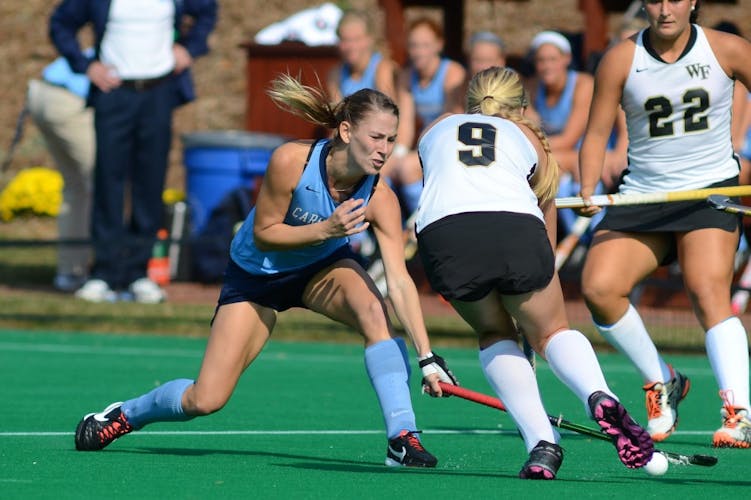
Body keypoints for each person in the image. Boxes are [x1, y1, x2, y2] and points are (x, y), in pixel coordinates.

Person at [72, 74, 458, 468]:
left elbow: (399, 281)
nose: (384, 150)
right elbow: (265, 234)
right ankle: (124, 415)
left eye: (391, 140)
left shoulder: (380, 197)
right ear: (345, 130)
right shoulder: (292, 161)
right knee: (206, 399)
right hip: (256, 275)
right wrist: (327, 229)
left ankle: (402, 436)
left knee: (375, 314)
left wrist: (426, 356)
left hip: (320, 270)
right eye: (376, 137)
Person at [415, 66, 654, 479]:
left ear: (467, 104)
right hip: (516, 230)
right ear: (522, 107)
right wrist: (540, 309)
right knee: (553, 332)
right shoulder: (530, 140)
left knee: (494, 334)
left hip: (445, 236)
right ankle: (598, 393)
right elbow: (545, 232)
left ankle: (542, 446)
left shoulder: (436, 126)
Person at [577, 0, 751, 448]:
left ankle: (738, 413)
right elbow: (596, 133)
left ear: (693, 1)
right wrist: (588, 185)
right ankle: (662, 380)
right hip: (644, 195)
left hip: (708, 192)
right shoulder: (620, 58)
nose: (665, 9)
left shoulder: (728, 50)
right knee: (598, 288)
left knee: (707, 289)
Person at [49, 0, 218, 303]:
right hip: (114, 94)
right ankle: (104, 271)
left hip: (158, 93)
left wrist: (189, 48)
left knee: (150, 182)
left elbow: (207, 10)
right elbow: (61, 23)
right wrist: (86, 65)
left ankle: (139, 272)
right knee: (108, 180)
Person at [26, 52, 95, 292]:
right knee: (103, 185)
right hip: (68, 99)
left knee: (77, 189)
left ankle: (71, 272)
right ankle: (106, 273)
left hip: (42, 92)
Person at [389, 17, 466, 219]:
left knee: (407, 169)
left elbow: (452, 122)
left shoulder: (453, 72)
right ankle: (379, 233)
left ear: (439, 45)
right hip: (425, 143)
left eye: (425, 45)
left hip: (449, 144)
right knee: (382, 167)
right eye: (414, 45)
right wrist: (398, 153)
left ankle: (425, 221)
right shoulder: (407, 76)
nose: (419, 51)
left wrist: (414, 156)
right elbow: (404, 123)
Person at [326, 9, 398, 102]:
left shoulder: (382, 68)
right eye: (345, 39)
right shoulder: (335, 74)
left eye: (357, 39)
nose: (351, 46)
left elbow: (389, 113)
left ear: (370, 39)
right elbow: (337, 113)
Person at [446, 31, 507, 114]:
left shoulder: (514, 92)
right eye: (477, 60)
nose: (483, 67)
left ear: (501, 62)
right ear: (468, 61)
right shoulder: (458, 93)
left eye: (489, 60)